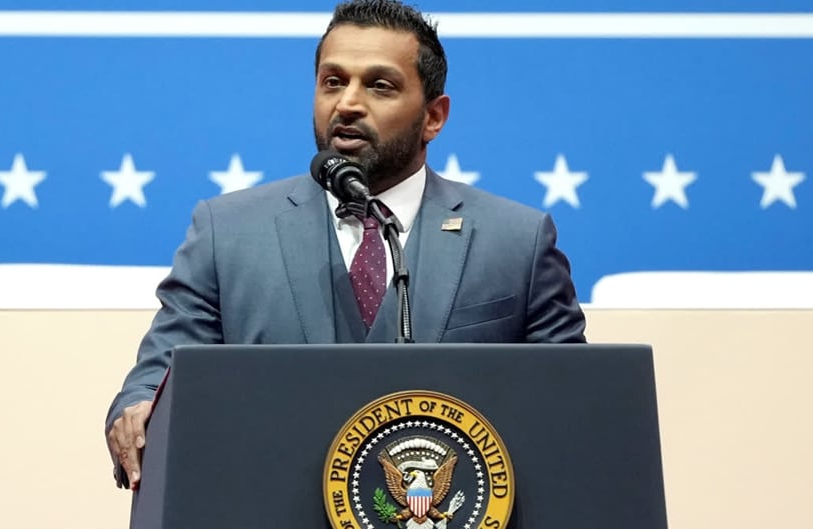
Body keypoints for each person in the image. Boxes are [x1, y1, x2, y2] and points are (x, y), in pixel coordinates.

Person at [106, 0, 586, 490]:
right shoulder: (225, 231)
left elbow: (576, 408)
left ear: (433, 117)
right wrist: (139, 408)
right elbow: (159, 375)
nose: (348, 104)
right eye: (333, 81)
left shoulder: (517, 241)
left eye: (380, 85)